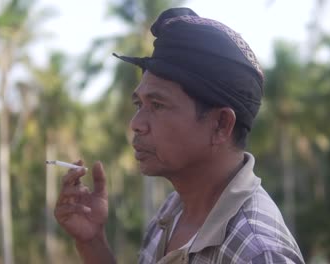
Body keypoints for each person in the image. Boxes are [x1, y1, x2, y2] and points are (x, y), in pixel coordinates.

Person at [54, 7, 305, 264]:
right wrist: (92, 242)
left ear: (221, 124)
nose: (136, 124)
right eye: (139, 105)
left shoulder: (257, 252)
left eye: (158, 105)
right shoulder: (172, 213)